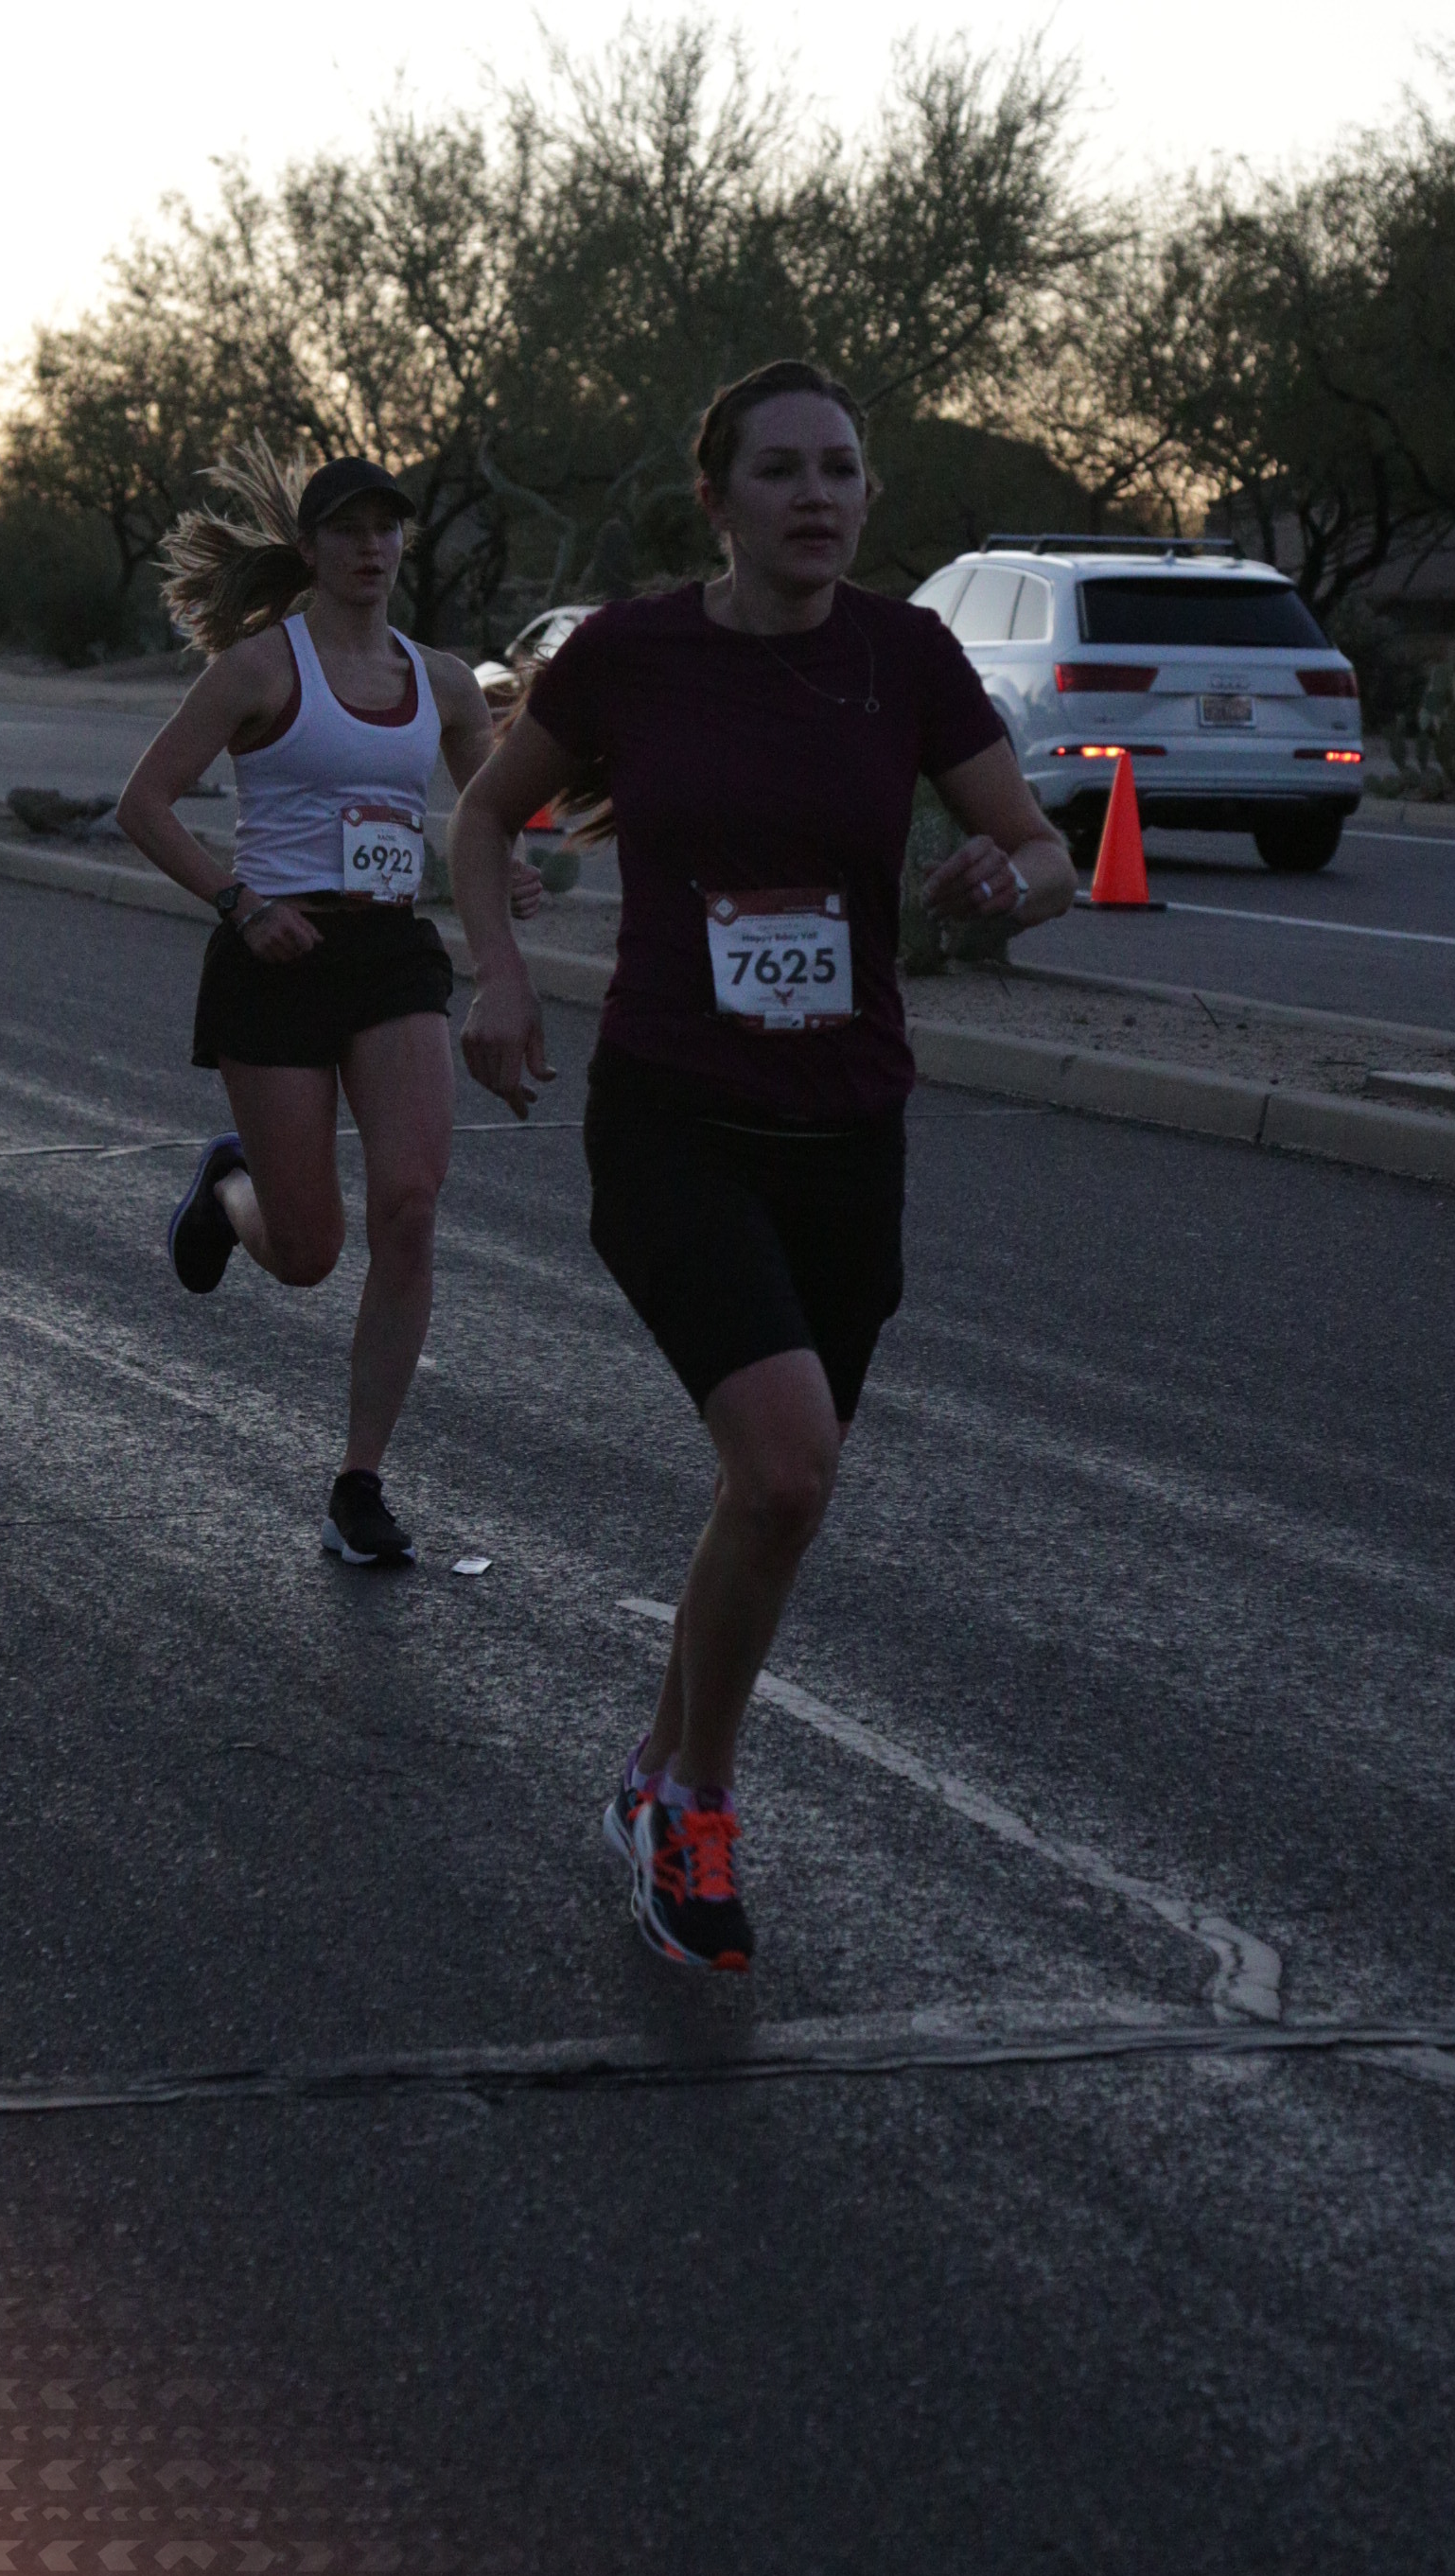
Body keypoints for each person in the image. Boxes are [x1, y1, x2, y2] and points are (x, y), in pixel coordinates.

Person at [447, 359, 1074, 1969]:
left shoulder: (905, 658)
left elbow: (1044, 850)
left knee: (768, 1498)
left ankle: (652, 1771)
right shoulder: (631, 652)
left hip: (846, 1130)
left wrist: (1007, 882)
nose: (816, 496)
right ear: (716, 500)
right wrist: (501, 974)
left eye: (840, 470)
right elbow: (487, 818)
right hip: (675, 1121)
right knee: (789, 1470)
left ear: (868, 499)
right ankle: (696, 1810)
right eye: (782, 470)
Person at [117, 446, 548, 1568]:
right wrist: (239, 902)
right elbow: (143, 803)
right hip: (276, 952)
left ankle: (359, 1482)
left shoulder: (443, 683)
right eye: (348, 530)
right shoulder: (259, 669)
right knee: (309, 1251)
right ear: (309, 549)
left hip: (390, 952)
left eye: (386, 528)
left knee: (410, 1203)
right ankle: (231, 1188)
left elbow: (482, 813)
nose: (370, 547)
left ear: (404, 543)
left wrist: (505, 876)